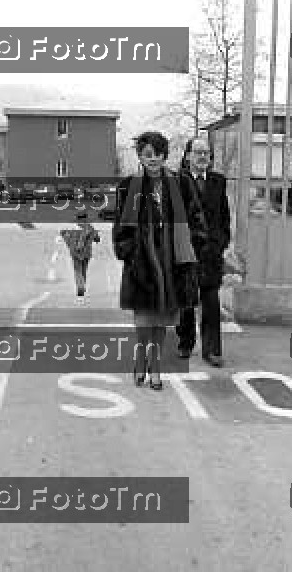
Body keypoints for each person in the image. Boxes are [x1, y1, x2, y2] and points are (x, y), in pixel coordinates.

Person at [113, 131, 207, 390]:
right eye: (147, 154)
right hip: (141, 266)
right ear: (140, 157)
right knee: (143, 324)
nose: (153, 159)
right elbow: (120, 224)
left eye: (157, 154)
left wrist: (192, 250)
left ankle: (156, 369)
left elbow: (197, 219)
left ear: (165, 155)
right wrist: (128, 251)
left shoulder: (180, 183)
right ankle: (140, 361)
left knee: (162, 325)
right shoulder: (128, 186)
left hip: (172, 265)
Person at [175, 136, 231, 368]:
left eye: (206, 152)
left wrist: (221, 242)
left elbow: (223, 215)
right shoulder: (177, 181)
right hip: (186, 249)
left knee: (210, 300)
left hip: (211, 252)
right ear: (188, 156)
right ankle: (185, 343)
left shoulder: (218, 181)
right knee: (186, 299)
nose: (202, 156)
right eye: (197, 152)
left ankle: (212, 350)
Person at [60, 214, 101, 299]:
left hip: (75, 252)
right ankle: (82, 287)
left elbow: (63, 233)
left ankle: (80, 287)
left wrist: (69, 242)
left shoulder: (71, 227)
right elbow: (97, 238)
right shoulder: (90, 227)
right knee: (83, 270)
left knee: (77, 270)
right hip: (86, 253)